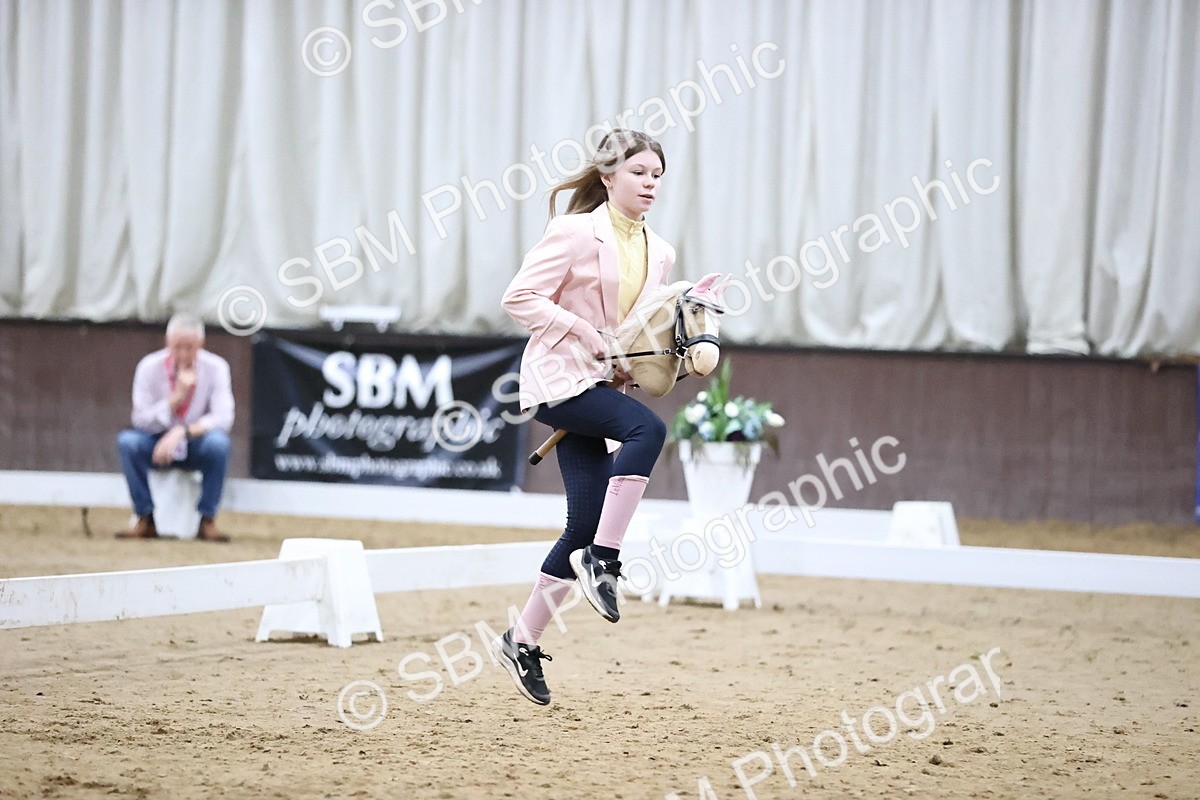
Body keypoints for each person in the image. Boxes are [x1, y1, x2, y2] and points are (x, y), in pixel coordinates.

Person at [492, 129, 674, 705]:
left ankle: (521, 641)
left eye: (657, 176)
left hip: (598, 382)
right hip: (556, 380)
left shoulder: (661, 251)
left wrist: (637, 365)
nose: (650, 183)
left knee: (580, 524)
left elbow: (635, 328)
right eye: (640, 172)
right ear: (607, 177)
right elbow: (519, 298)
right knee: (648, 428)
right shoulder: (572, 232)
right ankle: (606, 558)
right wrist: (582, 332)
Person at [115, 313, 235, 542]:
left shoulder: (216, 367)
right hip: (155, 441)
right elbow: (140, 419)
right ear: (168, 343)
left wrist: (182, 431)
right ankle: (145, 518)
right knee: (128, 443)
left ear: (200, 344)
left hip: (195, 442)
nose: (183, 353)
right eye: (177, 346)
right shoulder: (149, 367)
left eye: (189, 347)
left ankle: (207, 519)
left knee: (219, 444)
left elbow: (223, 418)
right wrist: (175, 398)